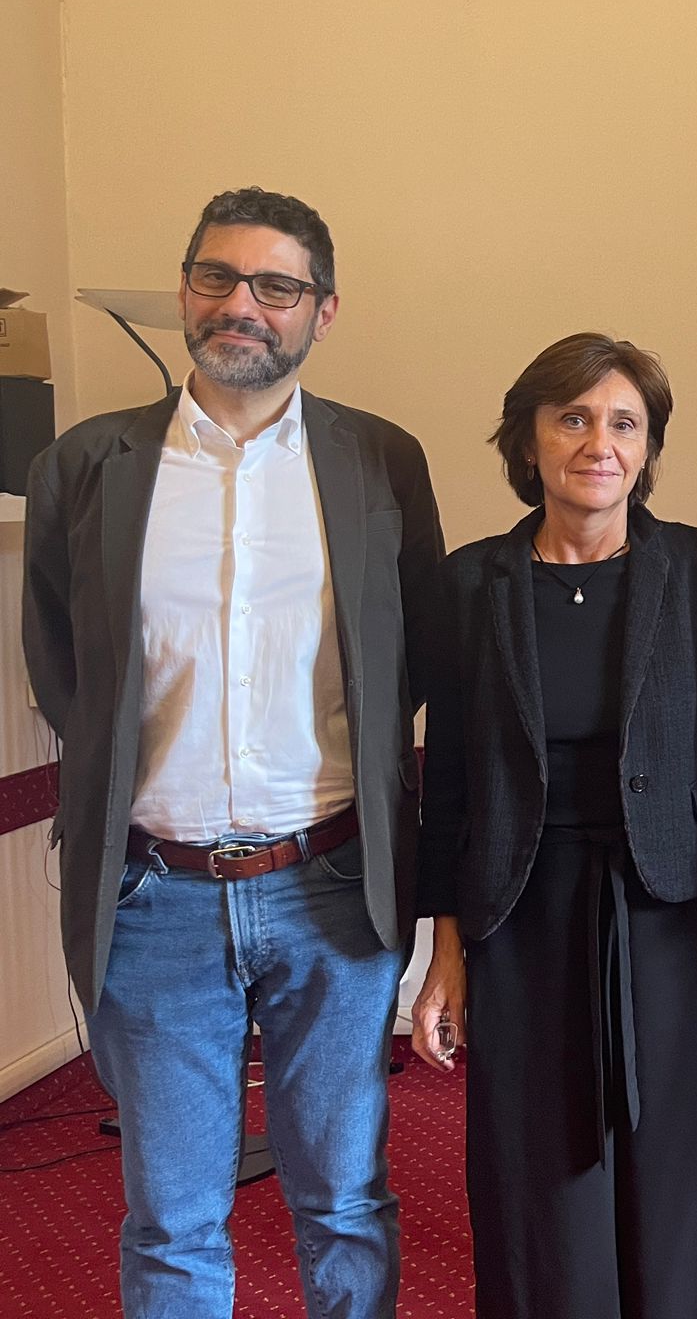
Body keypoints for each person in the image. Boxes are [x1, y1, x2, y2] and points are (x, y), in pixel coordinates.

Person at [21, 187, 443, 1316]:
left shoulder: (381, 462)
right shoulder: (86, 465)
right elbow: (63, 666)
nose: (241, 304)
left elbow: (416, 656)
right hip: (153, 894)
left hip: (334, 884)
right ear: (184, 291)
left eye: (276, 285)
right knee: (172, 1220)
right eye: (217, 277)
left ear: (323, 310)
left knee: (344, 1198)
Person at [410, 332, 697, 1319]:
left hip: (672, 898)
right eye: (573, 418)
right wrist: (444, 953)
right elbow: (448, 774)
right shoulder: (470, 582)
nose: (599, 443)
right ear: (527, 438)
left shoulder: (691, 565)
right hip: (518, 905)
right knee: (537, 1163)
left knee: (684, 1155)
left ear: (647, 445)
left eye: (624, 423)